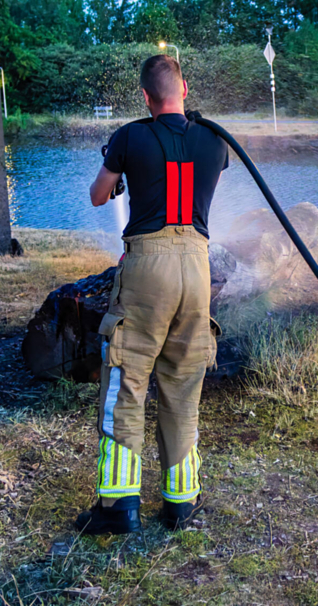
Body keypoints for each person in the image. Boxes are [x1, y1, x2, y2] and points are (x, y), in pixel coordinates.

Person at [76, 55, 228, 534]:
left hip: (147, 265)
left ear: (145, 96)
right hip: (198, 267)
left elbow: (99, 196)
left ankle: (119, 507)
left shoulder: (129, 136)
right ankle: (180, 503)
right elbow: (188, 172)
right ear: (185, 88)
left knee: (127, 380)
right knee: (183, 385)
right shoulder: (215, 139)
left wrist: (120, 169)